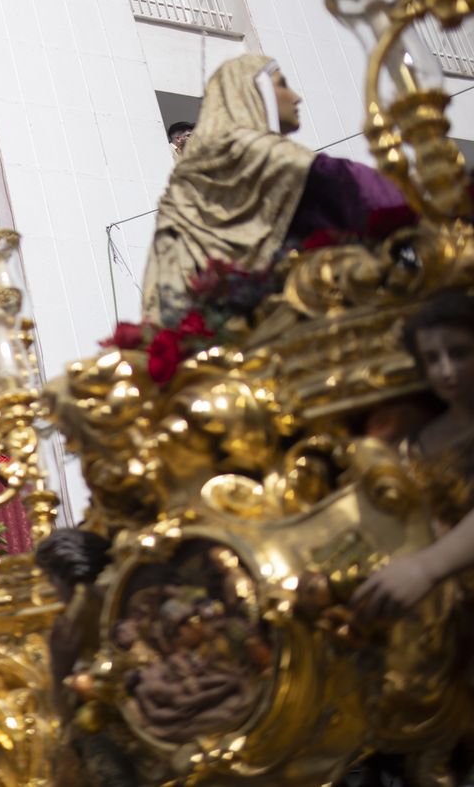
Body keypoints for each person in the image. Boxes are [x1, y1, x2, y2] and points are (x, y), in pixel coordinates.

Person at [139, 54, 405, 323]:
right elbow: (393, 209)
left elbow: (163, 303)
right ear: (255, 95)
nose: (296, 97)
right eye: (282, 85)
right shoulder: (304, 168)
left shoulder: (182, 195)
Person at [352, 290, 474, 623]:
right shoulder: (416, 443)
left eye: (460, 353)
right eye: (432, 359)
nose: (446, 370)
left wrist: (427, 566)